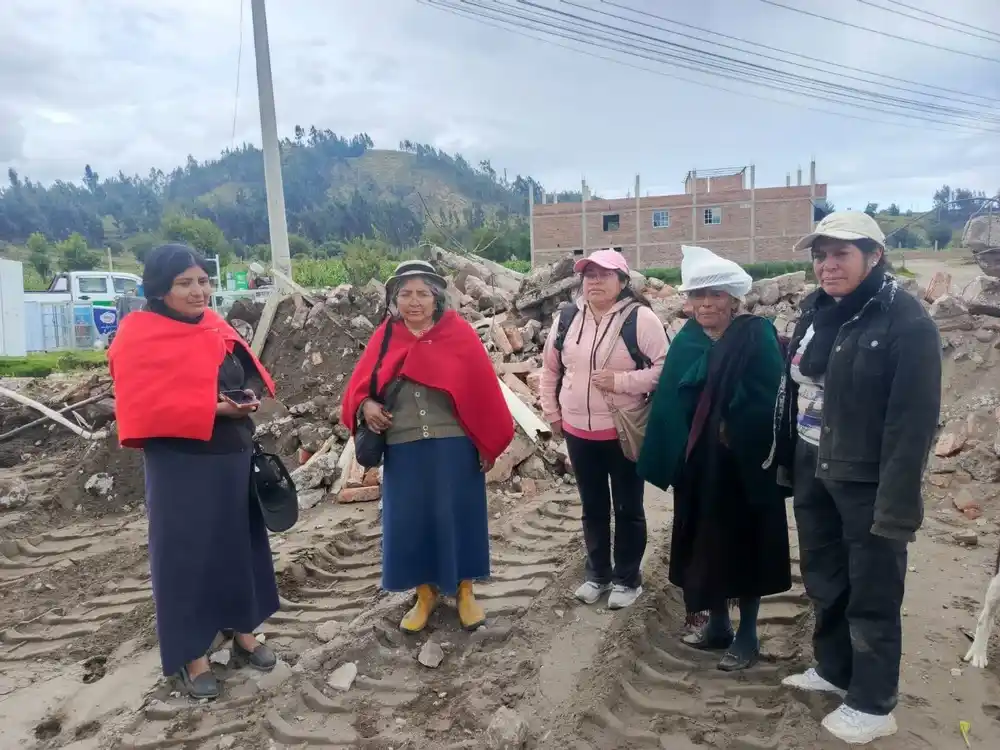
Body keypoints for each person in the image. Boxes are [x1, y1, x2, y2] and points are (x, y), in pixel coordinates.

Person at [766, 211, 941, 744]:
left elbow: (912, 423)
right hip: (816, 466)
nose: (827, 265)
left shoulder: (905, 323)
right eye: (820, 255)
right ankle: (834, 669)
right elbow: (795, 389)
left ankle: (872, 702)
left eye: (840, 253)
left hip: (866, 480)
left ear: (874, 255)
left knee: (873, 589)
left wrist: (896, 503)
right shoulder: (817, 311)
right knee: (825, 578)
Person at [108, 243, 280, 700]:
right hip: (180, 464)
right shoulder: (137, 335)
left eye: (202, 280)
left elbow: (243, 372)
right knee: (186, 558)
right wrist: (212, 408)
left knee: (237, 547)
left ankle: (243, 631)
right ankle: (192, 655)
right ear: (161, 288)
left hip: (231, 455)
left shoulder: (214, 325)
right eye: (185, 282)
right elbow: (141, 405)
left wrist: (244, 398)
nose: (198, 290)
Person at [638, 245, 790, 671]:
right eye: (698, 296)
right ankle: (719, 624)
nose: (706, 304)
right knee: (706, 548)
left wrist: (733, 423)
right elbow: (669, 400)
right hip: (699, 468)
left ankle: (748, 635)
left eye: (716, 295)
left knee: (745, 547)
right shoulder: (687, 338)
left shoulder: (755, 335)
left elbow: (769, 397)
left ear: (733, 299)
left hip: (743, 467)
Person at [341, 259, 514, 633]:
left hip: (454, 445)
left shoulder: (459, 334)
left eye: (423, 293)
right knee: (412, 522)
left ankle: (465, 591)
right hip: (404, 448)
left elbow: (482, 390)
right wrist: (367, 405)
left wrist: (485, 442)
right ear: (394, 299)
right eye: (405, 294)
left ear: (437, 298)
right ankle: (424, 594)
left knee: (460, 517)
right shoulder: (385, 336)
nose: (414, 301)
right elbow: (359, 388)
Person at [539, 249, 668, 610]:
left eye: (604, 275)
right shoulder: (567, 318)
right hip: (579, 431)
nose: (594, 281)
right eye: (589, 274)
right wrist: (553, 414)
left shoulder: (640, 319)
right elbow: (550, 370)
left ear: (623, 282)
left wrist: (623, 381)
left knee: (628, 507)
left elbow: (665, 368)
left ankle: (627, 579)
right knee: (592, 507)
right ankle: (597, 575)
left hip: (623, 430)